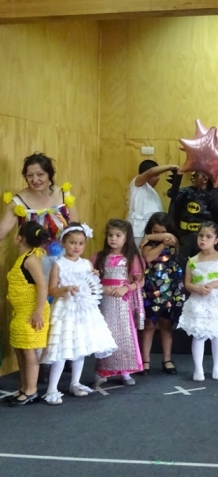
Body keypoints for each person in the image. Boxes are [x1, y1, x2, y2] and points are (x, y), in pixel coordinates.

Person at [43, 223, 118, 405]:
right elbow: (51, 290)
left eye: (81, 243)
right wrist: (65, 289)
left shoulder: (86, 264)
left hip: (84, 311)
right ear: (64, 243)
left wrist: (94, 276)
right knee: (62, 348)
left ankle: (75, 383)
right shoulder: (59, 264)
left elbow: (91, 286)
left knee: (80, 347)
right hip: (66, 310)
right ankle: (52, 388)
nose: (76, 247)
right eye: (72, 243)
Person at [0, 153, 79, 278]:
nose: (35, 180)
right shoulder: (18, 202)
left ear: (49, 175)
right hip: (34, 263)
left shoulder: (64, 195)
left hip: (64, 261)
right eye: (30, 175)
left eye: (40, 174)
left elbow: (76, 230)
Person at [92, 219, 145, 386]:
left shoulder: (132, 258)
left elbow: (140, 281)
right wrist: (102, 288)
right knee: (105, 333)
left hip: (123, 302)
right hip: (104, 301)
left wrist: (126, 288)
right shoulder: (99, 257)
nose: (113, 239)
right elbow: (91, 279)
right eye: (110, 235)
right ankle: (102, 370)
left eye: (118, 235)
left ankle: (125, 370)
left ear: (126, 237)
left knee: (124, 334)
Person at [179, 222, 218, 381]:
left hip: (216, 301)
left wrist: (213, 285)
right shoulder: (192, 260)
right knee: (198, 334)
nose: (203, 239)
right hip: (199, 302)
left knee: (217, 334)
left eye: (208, 236)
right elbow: (187, 283)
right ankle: (198, 369)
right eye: (201, 235)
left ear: (216, 240)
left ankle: (217, 367)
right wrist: (197, 288)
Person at [5, 222, 50, 406]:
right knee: (20, 347)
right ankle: (24, 387)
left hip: (32, 311)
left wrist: (38, 311)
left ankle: (31, 390)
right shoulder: (23, 258)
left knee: (28, 350)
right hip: (22, 311)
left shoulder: (31, 260)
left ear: (20, 238)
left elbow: (42, 286)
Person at [139, 212, 186, 376]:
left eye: (162, 232)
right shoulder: (146, 244)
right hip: (151, 289)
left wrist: (153, 237)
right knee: (149, 325)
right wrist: (157, 242)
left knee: (166, 325)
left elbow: (170, 238)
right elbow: (148, 257)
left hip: (170, 289)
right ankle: (145, 361)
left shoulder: (173, 241)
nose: (159, 235)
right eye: (155, 232)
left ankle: (167, 359)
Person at [169, 171, 218, 258]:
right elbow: (172, 195)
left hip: (203, 238)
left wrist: (216, 184)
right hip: (184, 237)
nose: (192, 178)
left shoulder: (212, 196)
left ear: (205, 179)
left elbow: (217, 209)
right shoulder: (186, 192)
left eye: (196, 176)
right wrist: (179, 175)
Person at [126, 160, 178, 246]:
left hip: (151, 230)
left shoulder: (152, 191)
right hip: (137, 231)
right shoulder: (137, 184)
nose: (158, 178)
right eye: (156, 175)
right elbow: (151, 171)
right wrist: (171, 167)